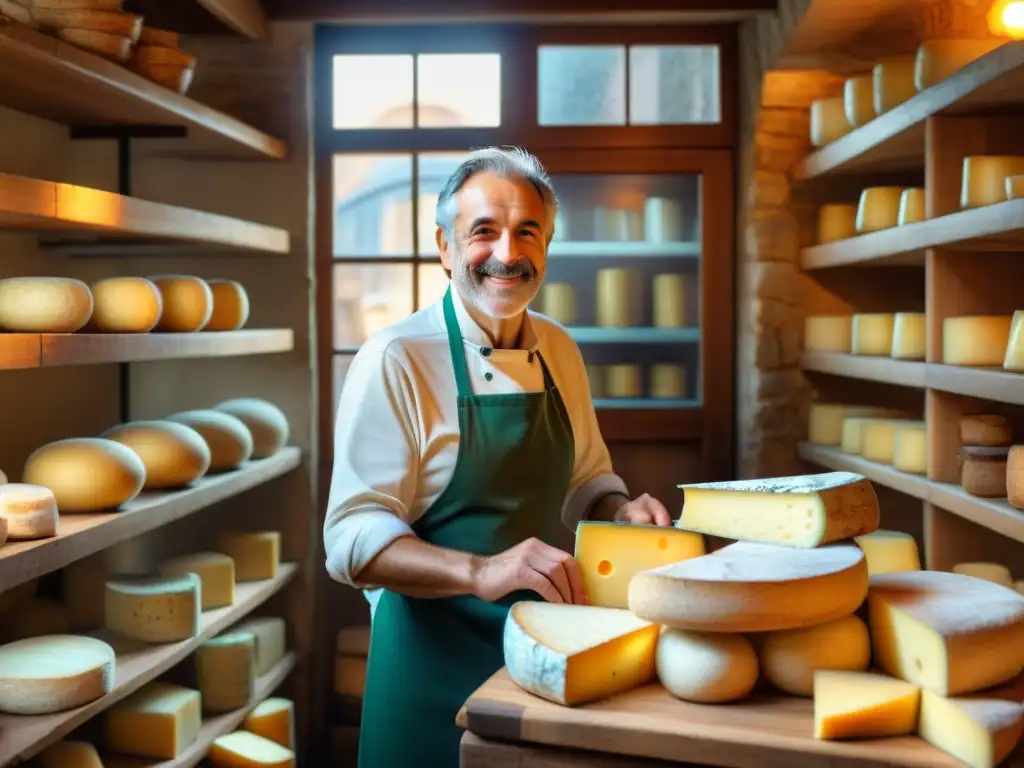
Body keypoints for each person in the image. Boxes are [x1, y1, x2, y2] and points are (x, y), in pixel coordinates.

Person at [324, 146, 671, 767]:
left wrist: (619, 511)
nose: (507, 254)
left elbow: (586, 479)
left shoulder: (560, 348)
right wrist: (482, 572)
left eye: (527, 232)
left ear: (547, 243)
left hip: (541, 661)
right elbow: (350, 538)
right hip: (427, 669)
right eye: (483, 231)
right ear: (445, 245)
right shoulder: (397, 358)